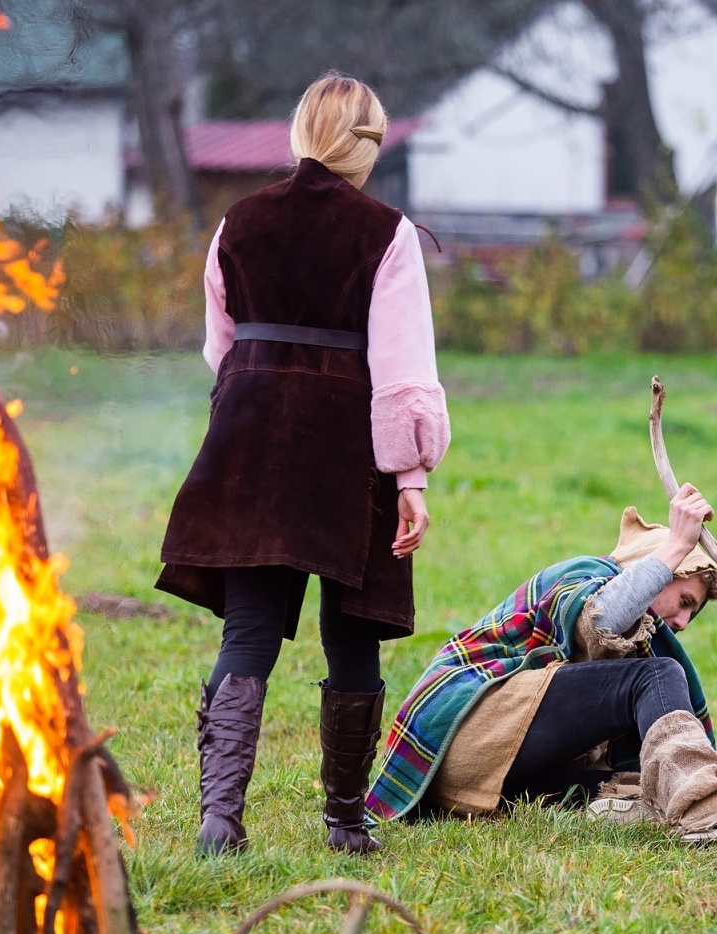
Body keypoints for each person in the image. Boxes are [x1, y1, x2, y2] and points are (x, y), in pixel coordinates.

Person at [156, 74, 451, 856]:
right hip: (344, 450)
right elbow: (403, 371)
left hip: (249, 442)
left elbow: (221, 351)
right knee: (351, 632)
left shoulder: (236, 223)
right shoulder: (386, 232)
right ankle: (346, 824)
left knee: (248, 630)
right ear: (368, 145)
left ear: (299, 134)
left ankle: (221, 823)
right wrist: (411, 478)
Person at [365, 485, 717, 844]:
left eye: (690, 615)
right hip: (462, 737)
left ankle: (690, 802)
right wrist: (677, 543)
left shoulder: (640, 643)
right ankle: (705, 812)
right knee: (657, 677)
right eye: (683, 602)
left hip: (492, 779)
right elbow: (599, 619)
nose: (680, 623)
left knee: (632, 777)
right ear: (657, 569)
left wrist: (709, 764)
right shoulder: (583, 574)